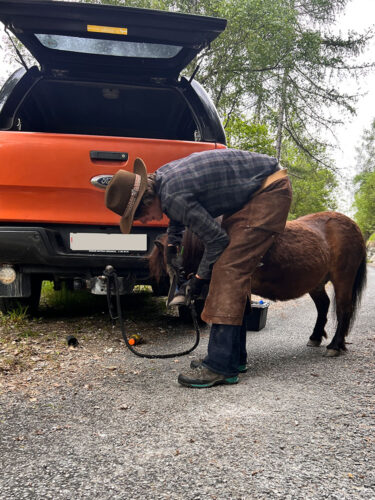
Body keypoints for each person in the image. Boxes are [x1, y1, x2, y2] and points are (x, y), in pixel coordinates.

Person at [105, 149, 292, 388]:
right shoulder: (163, 179)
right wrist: (173, 242)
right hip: (255, 193)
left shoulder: (171, 196)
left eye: (138, 216)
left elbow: (216, 240)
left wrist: (199, 278)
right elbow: (178, 211)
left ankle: (220, 366)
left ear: (146, 201)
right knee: (231, 271)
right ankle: (233, 358)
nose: (143, 222)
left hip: (268, 193)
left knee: (228, 270)